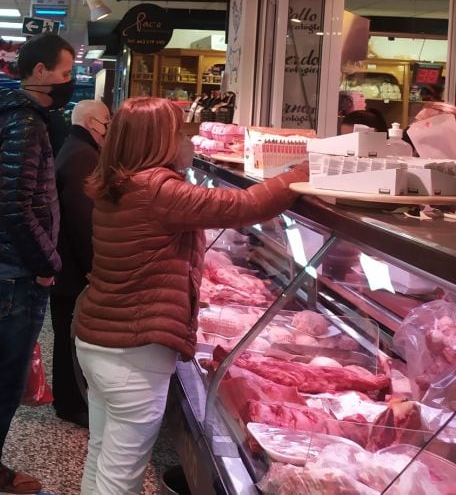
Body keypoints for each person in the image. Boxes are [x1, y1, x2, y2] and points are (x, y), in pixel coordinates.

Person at [73, 97, 308, 495]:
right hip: (134, 351)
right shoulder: (156, 188)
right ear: (157, 138)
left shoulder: (116, 180)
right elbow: (246, 205)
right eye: (178, 132)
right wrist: (310, 169)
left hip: (99, 339)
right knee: (121, 474)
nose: (185, 140)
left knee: (103, 453)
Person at [0, 33, 75, 495]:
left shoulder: (3, 113)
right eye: (66, 73)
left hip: (5, 260)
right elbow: (14, 206)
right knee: (5, 382)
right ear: (40, 71)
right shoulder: (26, 122)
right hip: (20, 268)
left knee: (2, 377)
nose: (70, 81)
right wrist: (47, 261)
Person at [50, 99, 111, 427]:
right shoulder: (83, 157)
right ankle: (71, 403)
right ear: (92, 123)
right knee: (68, 337)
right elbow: (81, 219)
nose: (108, 129)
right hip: (71, 268)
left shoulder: (74, 148)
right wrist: (94, 265)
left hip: (63, 264)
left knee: (66, 335)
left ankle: (69, 398)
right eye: (106, 123)